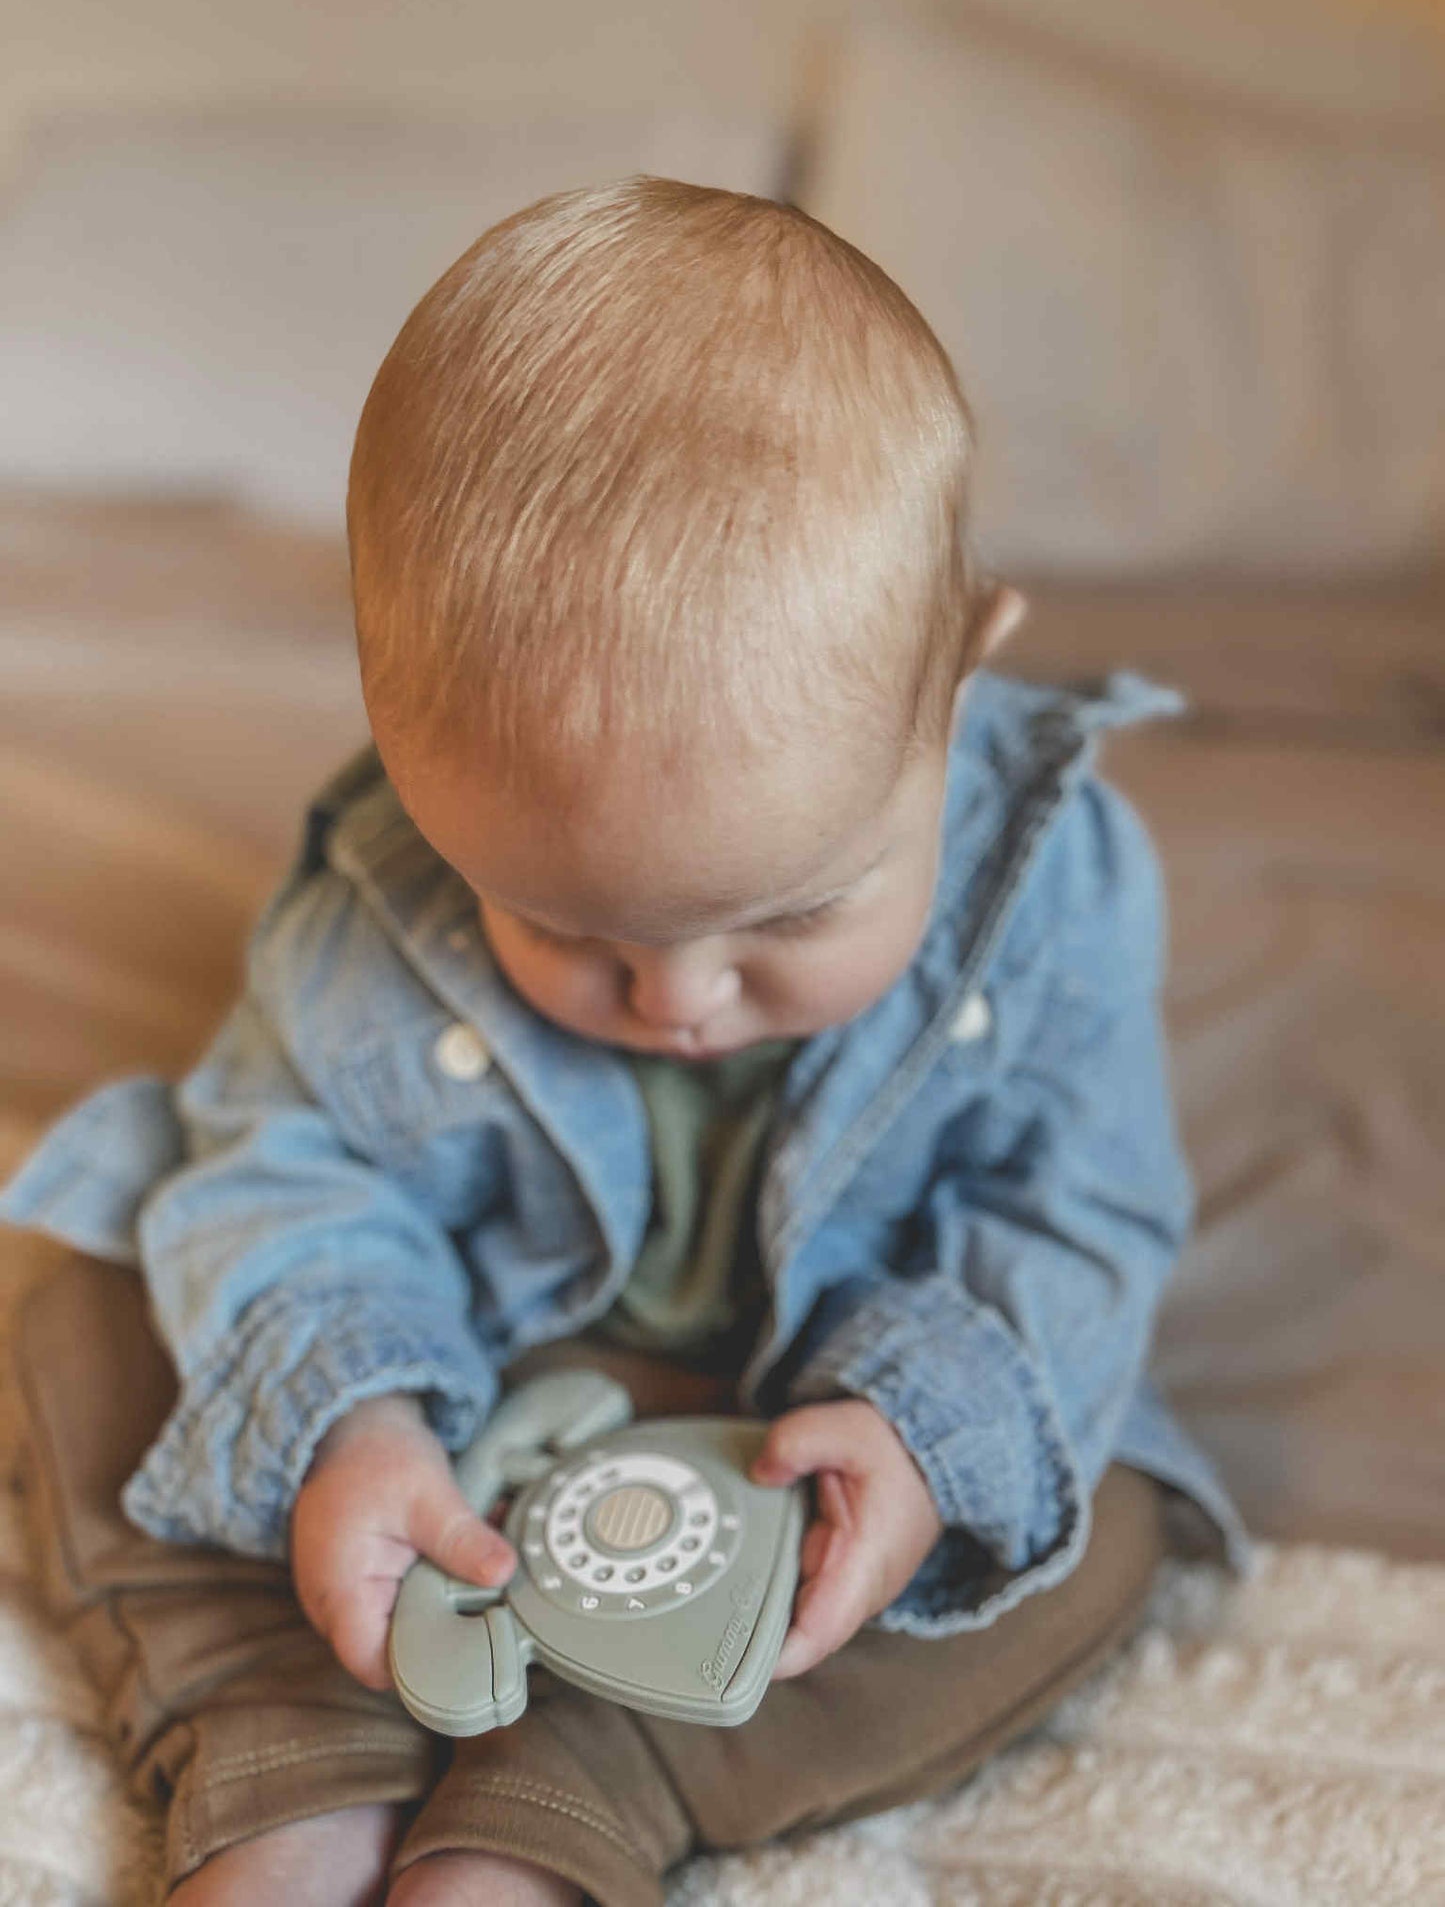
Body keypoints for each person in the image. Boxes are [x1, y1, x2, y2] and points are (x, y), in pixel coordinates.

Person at [0, 175, 1251, 1906]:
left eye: (792, 917)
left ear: (954, 685)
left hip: (803, 1432)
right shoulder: (384, 890)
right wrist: (351, 1411)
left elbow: (1073, 1219)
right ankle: (289, 1726)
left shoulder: (1051, 886)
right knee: (90, 1285)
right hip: (463, 1376)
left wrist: (912, 1435)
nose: (672, 1004)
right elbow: (281, 1158)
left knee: (1091, 1504)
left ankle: (590, 1774)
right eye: (568, 928)